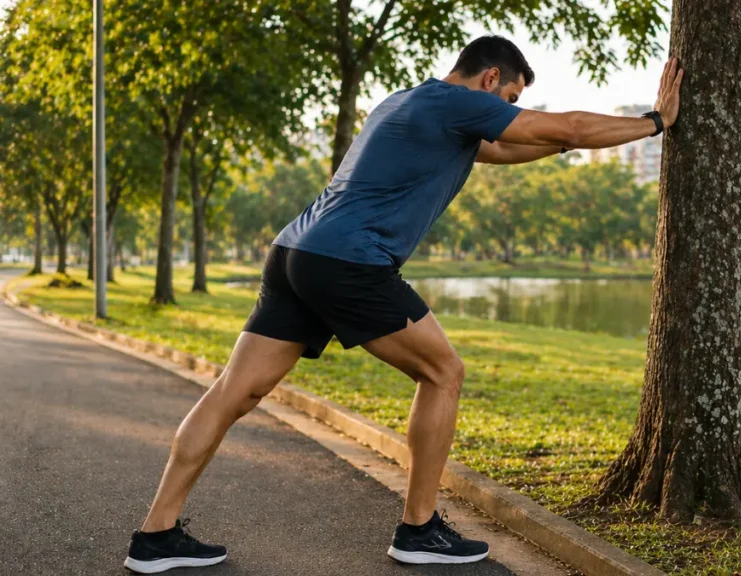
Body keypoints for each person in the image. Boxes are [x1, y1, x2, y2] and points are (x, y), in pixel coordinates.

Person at [123, 35, 683, 573]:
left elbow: (505, 148)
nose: (512, 111)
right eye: (511, 99)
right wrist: (656, 122)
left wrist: (555, 144)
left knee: (232, 392)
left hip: (296, 251)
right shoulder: (458, 102)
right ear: (490, 79)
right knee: (443, 371)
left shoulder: (407, 103)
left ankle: (154, 535)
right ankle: (418, 530)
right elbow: (573, 126)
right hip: (351, 262)